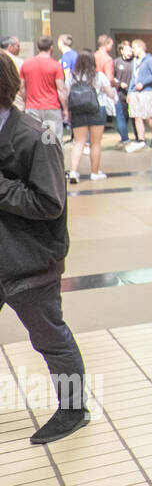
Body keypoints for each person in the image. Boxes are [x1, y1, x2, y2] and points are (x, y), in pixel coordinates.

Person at [0, 53, 91, 445]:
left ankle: (74, 410)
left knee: (50, 339)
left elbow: (49, 202)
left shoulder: (39, 136)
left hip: (29, 263)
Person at [65, 50, 109, 183]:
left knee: (79, 142)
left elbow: (67, 95)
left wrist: (66, 111)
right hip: (96, 110)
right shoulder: (98, 76)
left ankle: (73, 171)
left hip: (78, 111)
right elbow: (110, 92)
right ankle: (94, 173)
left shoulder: (72, 76)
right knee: (95, 143)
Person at [17, 35, 66, 146]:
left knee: (33, 138)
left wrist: (26, 102)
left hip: (32, 107)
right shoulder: (56, 65)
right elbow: (61, 90)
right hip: (51, 107)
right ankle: (55, 163)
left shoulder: (26, 65)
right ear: (51, 47)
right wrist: (65, 108)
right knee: (53, 140)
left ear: (38, 47)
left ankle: (36, 162)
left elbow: (21, 87)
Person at [125, 38, 152, 152]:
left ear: (140, 47)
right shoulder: (134, 62)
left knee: (148, 116)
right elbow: (132, 79)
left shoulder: (149, 60)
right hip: (135, 92)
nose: (133, 50)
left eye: (134, 48)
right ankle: (141, 139)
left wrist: (143, 83)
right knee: (137, 116)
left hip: (146, 91)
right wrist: (129, 92)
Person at [112, 41, 134, 145]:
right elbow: (112, 77)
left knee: (135, 117)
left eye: (131, 50)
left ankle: (138, 138)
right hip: (121, 94)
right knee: (123, 117)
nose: (130, 52)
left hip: (133, 94)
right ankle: (124, 138)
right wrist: (120, 84)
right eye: (127, 50)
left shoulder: (135, 62)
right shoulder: (116, 62)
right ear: (121, 51)